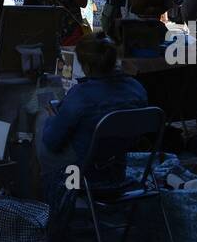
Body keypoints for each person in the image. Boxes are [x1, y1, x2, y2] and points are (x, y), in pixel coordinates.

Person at [38, 33, 148, 204]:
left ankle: (54, 200)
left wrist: (52, 118)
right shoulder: (136, 88)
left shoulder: (80, 95)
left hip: (84, 172)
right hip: (117, 169)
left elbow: (52, 141)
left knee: (41, 134)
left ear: (87, 66)